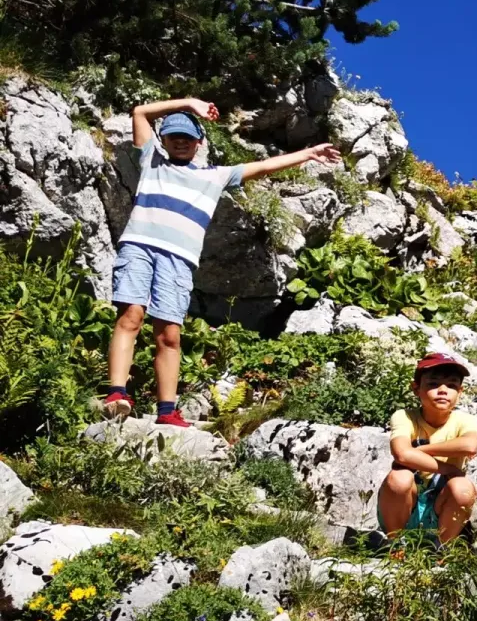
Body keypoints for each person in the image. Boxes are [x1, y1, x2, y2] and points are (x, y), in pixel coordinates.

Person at [98, 99, 342, 425]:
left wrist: (308, 154)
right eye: (174, 136)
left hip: (179, 261)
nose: (180, 141)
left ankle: (167, 411)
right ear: (164, 140)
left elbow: (265, 166)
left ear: (199, 143)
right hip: (139, 247)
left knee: (169, 335)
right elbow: (140, 113)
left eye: (187, 137)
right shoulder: (152, 161)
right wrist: (189, 103)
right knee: (131, 316)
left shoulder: (215, 176)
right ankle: (117, 393)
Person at [378, 353, 477, 545]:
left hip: (442, 504)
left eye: (451, 385)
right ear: (416, 388)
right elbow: (401, 453)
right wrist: (448, 468)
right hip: (404, 507)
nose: (443, 391)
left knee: (463, 488)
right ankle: (395, 544)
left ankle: (441, 550)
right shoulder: (405, 416)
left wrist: (417, 452)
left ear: (460, 392)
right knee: (399, 478)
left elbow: (470, 445)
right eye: (433, 384)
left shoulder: (466, 420)